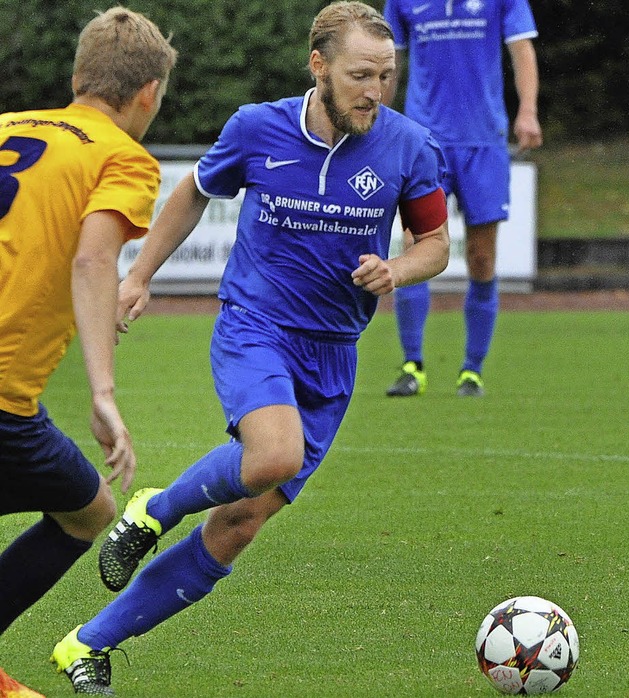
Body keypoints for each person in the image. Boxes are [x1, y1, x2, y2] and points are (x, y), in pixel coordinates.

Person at [50, 2, 449, 693]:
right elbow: (194, 193)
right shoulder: (257, 127)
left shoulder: (409, 146)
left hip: (335, 354)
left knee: (240, 522)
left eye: (386, 76)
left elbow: (435, 244)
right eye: (360, 75)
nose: (374, 91)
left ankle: (87, 645)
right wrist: (139, 276)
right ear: (318, 66)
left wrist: (398, 270)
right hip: (255, 328)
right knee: (273, 454)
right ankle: (157, 509)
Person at [0, 4, 177, 689]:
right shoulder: (122, 157)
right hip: (6, 397)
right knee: (90, 513)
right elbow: (93, 261)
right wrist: (102, 393)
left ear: (77, 75)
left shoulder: (8, 126)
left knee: (86, 506)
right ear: (148, 94)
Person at [383, 0, 543, 398]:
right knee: (416, 246)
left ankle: (472, 370)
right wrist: (379, 119)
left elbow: (521, 48)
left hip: (483, 140)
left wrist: (528, 111)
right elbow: (389, 60)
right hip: (426, 140)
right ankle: (412, 365)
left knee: (481, 256)